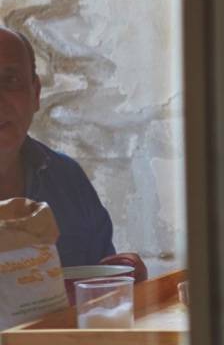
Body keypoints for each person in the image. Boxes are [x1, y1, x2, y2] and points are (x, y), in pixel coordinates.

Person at [0, 26, 147, 277]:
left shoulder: (67, 180)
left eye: (10, 80)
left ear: (35, 94)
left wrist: (121, 278)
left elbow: (100, 295)